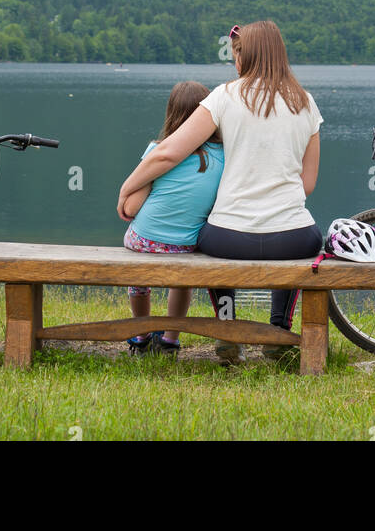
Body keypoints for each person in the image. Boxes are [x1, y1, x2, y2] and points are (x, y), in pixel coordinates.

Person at [118, 21, 322, 364]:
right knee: (307, 244)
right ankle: (278, 333)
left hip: (229, 236)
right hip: (292, 236)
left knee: (203, 238)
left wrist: (127, 187)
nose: (234, 62)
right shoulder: (306, 103)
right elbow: (307, 183)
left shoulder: (224, 96)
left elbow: (169, 153)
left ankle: (227, 331)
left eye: (237, 54)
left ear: (248, 57)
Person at [120, 80, 224, 355]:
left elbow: (130, 209)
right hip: (187, 244)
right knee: (182, 280)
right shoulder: (222, 156)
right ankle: (169, 340)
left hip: (144, 241)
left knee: (138, 276)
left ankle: (141, 337)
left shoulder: (158, 150)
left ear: (171, 113)